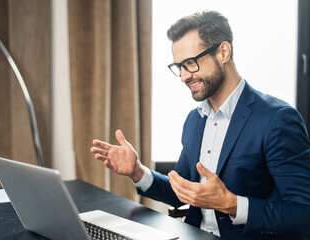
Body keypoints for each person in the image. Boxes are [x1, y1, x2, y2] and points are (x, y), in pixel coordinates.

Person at [90, 10, 310, 240]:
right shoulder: (195, 120)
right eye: (179, 67)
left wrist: (232, 204)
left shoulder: (277, 120)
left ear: (224, 52)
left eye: (190, 63)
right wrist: (138, 172)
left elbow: (304, 214)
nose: (184, 76)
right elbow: (182, 192)